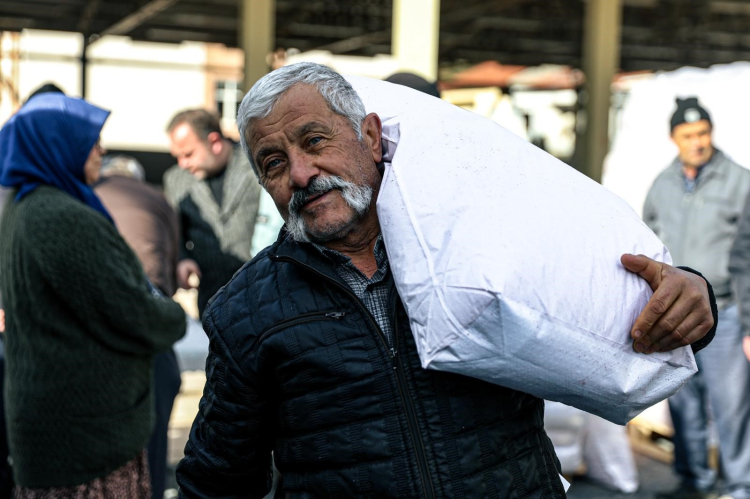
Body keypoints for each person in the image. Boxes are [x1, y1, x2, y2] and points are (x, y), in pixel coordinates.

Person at [176, 63, 716, 498]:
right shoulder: (246, 312)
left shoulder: (483, 237)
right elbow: (218, 479)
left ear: (370, 137)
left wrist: (691, 292)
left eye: (315, 141)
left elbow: (615, 298)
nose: (300, 173)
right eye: (274, 163)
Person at [0, 93, 186, 496]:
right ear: (58, 145)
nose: (100, 150)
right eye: (90, 141)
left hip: (58, 428)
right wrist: (173, 316)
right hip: (86, 439)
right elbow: (133, 313)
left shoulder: (24, 205)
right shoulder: (60, 216)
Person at [643, 97, 750, 499]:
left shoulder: (740, 181)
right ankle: (693, 482)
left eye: (702, 133)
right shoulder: (662, 183)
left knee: (731, 405)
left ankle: (740, 486)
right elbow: (647, 242)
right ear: (674, 138)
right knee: (682, 402)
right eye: (688, 135)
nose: (697, 142)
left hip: (728, 311)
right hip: (677, 313)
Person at [94, 155, 185, 499]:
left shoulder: (88, 194)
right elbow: (172, 270)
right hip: (152, 315)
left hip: (103, 318)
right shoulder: (159, 199)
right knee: (156, 419)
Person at [164, 109, 262, 316]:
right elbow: (173, 230)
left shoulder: (255, 164)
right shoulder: (175, 179)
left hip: (263, 291)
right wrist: (182, 258)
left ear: (214, 142)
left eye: (188, 154)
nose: (182, 164)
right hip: (212, 299)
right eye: (178, 157)